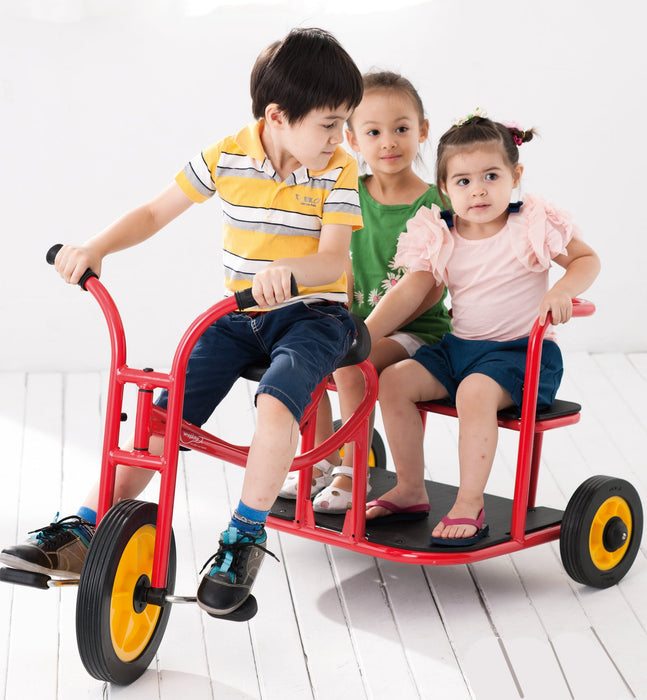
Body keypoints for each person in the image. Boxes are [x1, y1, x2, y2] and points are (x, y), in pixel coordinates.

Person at [0, 28, 364, 615]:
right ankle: (87, 528)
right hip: (240, 315)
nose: (340, 138)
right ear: (277, 116)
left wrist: (289, 271)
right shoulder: (227, 154)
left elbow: (333, 260)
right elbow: (153, 212)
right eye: (329, 124)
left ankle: (244, 537)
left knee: (276, 403)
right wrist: (96, 247)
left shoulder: (337, 169)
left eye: (344, 123)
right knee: (160, 418)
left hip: (314, 316)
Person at [363, 111, 600, 543]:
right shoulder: (440, 232)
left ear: (515, 176)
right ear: (444, 189)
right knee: (393, 381)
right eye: (464, 181)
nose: (478, 190)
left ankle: (470, 503)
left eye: (491, 176)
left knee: (474, 391)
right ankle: (411, 489)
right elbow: (410, 291)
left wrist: (562, 290)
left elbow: (586, 260)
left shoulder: (529, 225)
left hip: (521, 355)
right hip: (459, 349)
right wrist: (365, 334)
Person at [277, 71, 452, 513]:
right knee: (308, 351)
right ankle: (320, 459)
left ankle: (352, 471)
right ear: (353, 140)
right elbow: (337, 264)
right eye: (373, 132)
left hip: (418, 333)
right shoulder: (348, 193)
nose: (388, 142)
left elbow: (428, 290)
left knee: (353, 362)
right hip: (357, 325)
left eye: (401, 129)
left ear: (422, 130)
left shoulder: (436, 204)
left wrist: (360, 336)